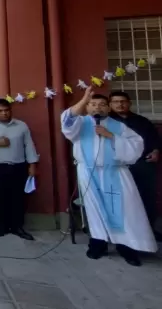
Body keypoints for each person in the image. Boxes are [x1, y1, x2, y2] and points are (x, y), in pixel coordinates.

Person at [61, 87, 157, 266]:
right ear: (87, 107)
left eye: (102, 104)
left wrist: (112, 136)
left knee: (124, 210)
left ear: (108, 108)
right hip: (89, 172)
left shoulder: (119, 126)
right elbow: (67, 120)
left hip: (116, 173)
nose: (98, 107)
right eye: (93, 104)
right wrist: (84, 98)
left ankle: (126, 247)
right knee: (95, 210)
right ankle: (98, 244)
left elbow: (136, 146)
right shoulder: (80, 123)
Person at [0, 99, 38, 240]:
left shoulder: (21, 126)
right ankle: (2, 226)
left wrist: (32, 165)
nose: (4, 113)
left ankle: (18, 227)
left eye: (7, 110)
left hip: (19, 166)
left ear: (11, 110)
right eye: (0, 111)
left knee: (19, 198)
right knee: (1, 196)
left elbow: (29, 146)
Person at [108, 91, 161, 240]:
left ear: (129, 103)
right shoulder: (107, 122)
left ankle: (149, 232)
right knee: (122, 200)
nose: (120, 104)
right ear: (110, 104)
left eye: (123, 101)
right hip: (118, 167)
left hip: (142, 164)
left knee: (147, 198)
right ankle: (123, 236)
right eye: (116, 102)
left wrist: (156, 151)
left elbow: (155, 140)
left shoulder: (142, 121)